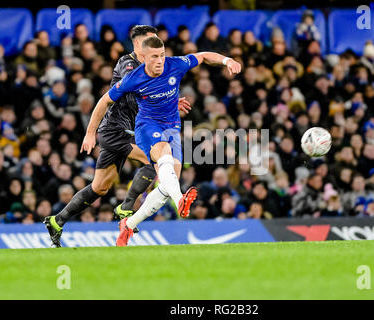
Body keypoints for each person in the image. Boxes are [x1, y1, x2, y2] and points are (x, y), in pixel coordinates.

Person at [43, 25, 192, 247]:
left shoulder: (150, 67)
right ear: (138, 45)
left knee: (100, 187)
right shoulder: (129, 65)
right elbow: (129, 96)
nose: (155, 48)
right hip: (116, 131)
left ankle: (57, 221)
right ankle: (126, 208)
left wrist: (167, 101)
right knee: (157, 159)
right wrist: (90, 133)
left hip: (125, 131)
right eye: (150, 42)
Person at [93, 36, 241, 246]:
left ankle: (129, 224)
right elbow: (104, 101)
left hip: (172, 127)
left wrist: (227, 61)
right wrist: (91, 133)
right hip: (147, 126)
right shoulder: (133, 78)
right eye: (154, 56)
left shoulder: (175, 64)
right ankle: (180, 199)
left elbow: (204, 56)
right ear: (144, 57)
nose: (160, 60)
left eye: (162, 55)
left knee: (166, 185)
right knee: (164, 157)